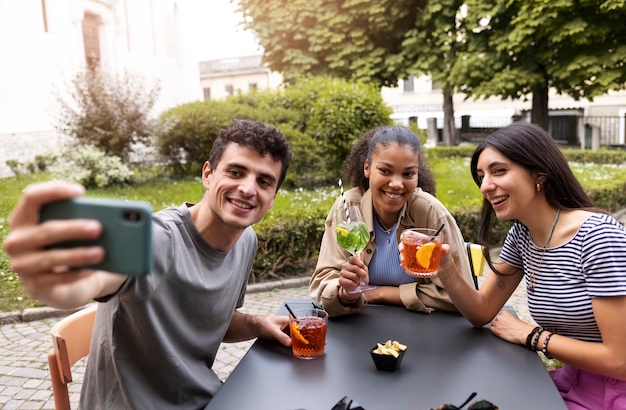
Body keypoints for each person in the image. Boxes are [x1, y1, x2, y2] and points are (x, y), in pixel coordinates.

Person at [3, 119, 293, 409]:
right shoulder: (156, 238)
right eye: (235, 172)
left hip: (202, 399)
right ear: (208, 174)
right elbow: (95, 279)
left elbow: (213, 319)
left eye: (264, 181)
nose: (247, 188)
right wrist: (62, 284)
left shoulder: (246, 241)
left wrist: (258, 324)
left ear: (273, 198)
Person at [407, 122, 626, 410]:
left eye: (499, 171)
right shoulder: (522, 235)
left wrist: (531, 335)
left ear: (539, 174)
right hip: (568, 381)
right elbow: (481, 311)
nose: (485, 186)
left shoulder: (598, 236)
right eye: (481, 176)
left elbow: (619, 360)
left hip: (612, 392)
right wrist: (445, 266)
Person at [310, 126, 474, 317]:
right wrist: (345, 292)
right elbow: (321, 285)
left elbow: (463, 297)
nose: (396, 183)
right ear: (367, 168)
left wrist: (380, 294)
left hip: (424, 327)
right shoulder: (347, 209)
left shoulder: (432, 214)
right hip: (360, 328)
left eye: (408, 174)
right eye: (385, 171)